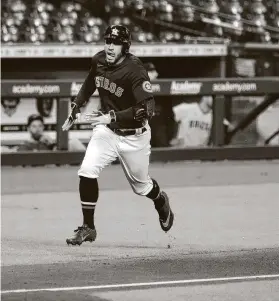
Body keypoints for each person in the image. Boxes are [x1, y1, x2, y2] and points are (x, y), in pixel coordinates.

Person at [62, 25, 174, 246]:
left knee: (142, 187)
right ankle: (88, 227)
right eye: (107, 41)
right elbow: (89, 83)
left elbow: (147, 110)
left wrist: (111, 116)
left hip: (134, 136)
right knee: (87, 171)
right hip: (107, 132)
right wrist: (76, 107)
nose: (110, 47)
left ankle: (161, 200)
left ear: (125, 46)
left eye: (116, 43)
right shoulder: (99, 60)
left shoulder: (135, 69)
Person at [18, 114, 85, 152]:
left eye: (40, 126)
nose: (37, 129)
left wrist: (53, 144)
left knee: (74, 142)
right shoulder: (25, 146)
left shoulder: (49, 144)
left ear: (43, 127)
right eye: (34, 126)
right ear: (28, 128)